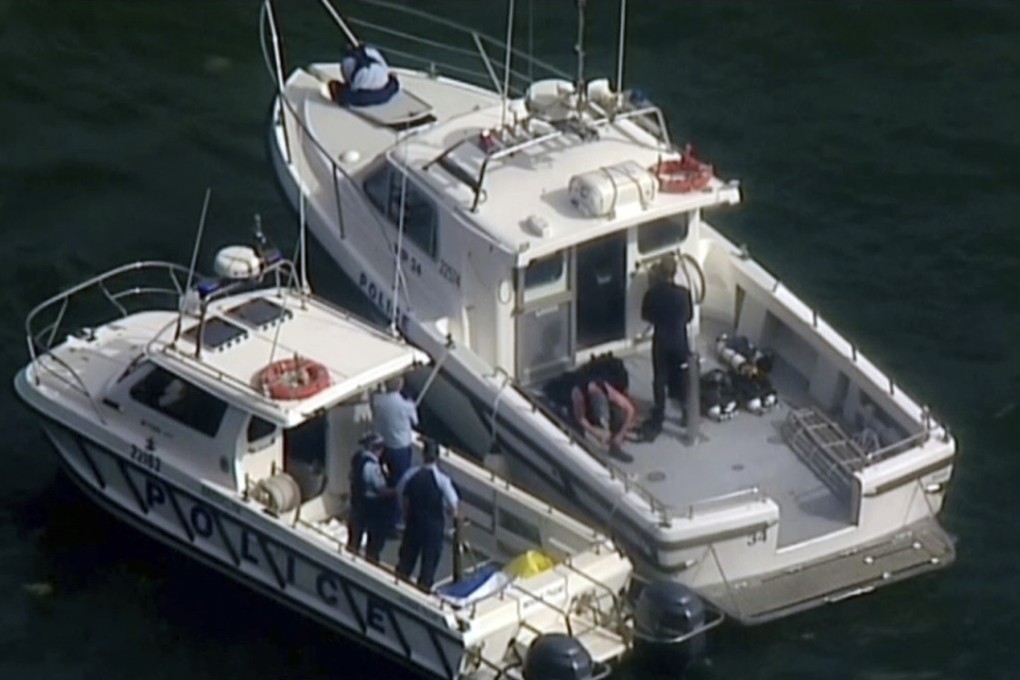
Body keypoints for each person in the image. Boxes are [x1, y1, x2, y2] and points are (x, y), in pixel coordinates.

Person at [640, 254, 693, 438]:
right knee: (683, 376)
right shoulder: (684, 294)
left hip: (661, 339)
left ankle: (659, 412)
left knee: (660, 377)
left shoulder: (652, 294)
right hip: (679, 339)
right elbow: (689, 317)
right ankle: (686, 412)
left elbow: (645, 315)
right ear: (675, 272)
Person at [395, 439, 459, 591]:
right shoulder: (442, 480)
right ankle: (422, 593)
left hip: (413, 524)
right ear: (437, 458)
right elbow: (453, 505)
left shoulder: (411, 474)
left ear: (423, 455)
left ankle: (398, 587)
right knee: (428, 566)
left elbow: (400, 492)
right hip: (433, 528)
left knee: (406, 561)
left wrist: (405, 513)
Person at [371, 375, 419, 529]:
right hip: (401, 449)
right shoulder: (406, 406)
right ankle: (397, 519)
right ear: (400, 385)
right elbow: (415, 421)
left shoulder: (379, 402)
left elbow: (373, 404)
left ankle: (384, 510)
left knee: (386, 479)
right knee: (400, 483)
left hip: (384, 446)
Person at [346, 432, 393, 562]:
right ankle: (371, 562)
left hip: (356, 504)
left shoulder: (357, 458)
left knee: (354, 538)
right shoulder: (372, 467)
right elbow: (380, 489)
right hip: (371, 508)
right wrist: (396, 492)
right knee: (375, 541)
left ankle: (350, 559)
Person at [570, 379, 636, 462]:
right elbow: (580, 418)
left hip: (594, 408)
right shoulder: (578, 394)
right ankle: (579, 451)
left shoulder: (606, 389)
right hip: (577, 410)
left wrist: (620, 435)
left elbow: (630, 410)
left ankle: (615, 448)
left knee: (619, 413)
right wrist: (596, 434)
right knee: (575, 428)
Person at [328, 44, 400, 107]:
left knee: (342, 93)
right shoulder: (372, 52)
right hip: (385, 91)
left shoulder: (348, 61)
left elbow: (337, 86)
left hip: (362, 95)